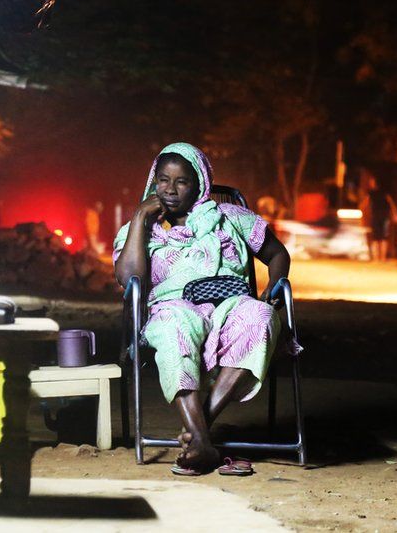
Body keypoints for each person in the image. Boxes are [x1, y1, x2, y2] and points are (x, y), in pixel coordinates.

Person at [113, 143, 290, 475]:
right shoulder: (141, 229)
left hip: (230, 305)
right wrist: (139, 217)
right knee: (172, 326)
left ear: (200, 184)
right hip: (173, 308)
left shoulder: (231, 218)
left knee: (260, 316)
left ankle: (199, 436)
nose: (169, 189)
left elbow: (278, 254)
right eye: (163, 179)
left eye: (181, 181)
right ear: (153, 181)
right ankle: (203, 441)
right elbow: (129, 278)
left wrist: (273, 285)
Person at [361, 175, 397, 262]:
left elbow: (364, 204)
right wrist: (395, 213)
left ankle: (379, 258)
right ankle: (380, 258)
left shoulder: (373, 193)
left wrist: (363, 211)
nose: (370, 183)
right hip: (382, 217)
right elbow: (391, 203)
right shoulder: (382, 193)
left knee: (378, 238)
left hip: (379, 217)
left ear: (375, 182)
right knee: (381, 237)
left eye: (371, 181)